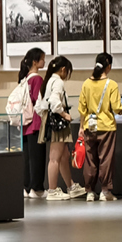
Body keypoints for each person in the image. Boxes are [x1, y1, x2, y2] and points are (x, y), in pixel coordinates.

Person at [37, 56, 86, 201]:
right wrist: (64, 114)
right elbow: (54, 102)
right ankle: (52, 190)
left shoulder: (48, 81)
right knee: (55, 158)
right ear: (63, 69)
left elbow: (40, 105)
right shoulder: (57, 82)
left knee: (64, 156)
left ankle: (70, 186)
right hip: (57, 120)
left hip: (50, 119)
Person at [78, 53, 122, 202]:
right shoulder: (112, 85)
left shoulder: (86, 84)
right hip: (107, 127)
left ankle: (90, 191)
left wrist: (81, 126)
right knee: (106, 159)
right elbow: (117, 107)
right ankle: (105, 191)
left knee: (90, 159)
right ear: (109, 66)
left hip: (89, 126)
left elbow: (82, 109)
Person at [19, 48, 47, 199]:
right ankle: (37, 188)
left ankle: (26, 186)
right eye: (42, 59)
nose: (44, 62)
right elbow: (38, 101)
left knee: (27, 158)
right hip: (35, 122)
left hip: (25, 123)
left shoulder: (24, 79)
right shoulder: (37, 79)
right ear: (35, 62)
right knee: (38, 157)